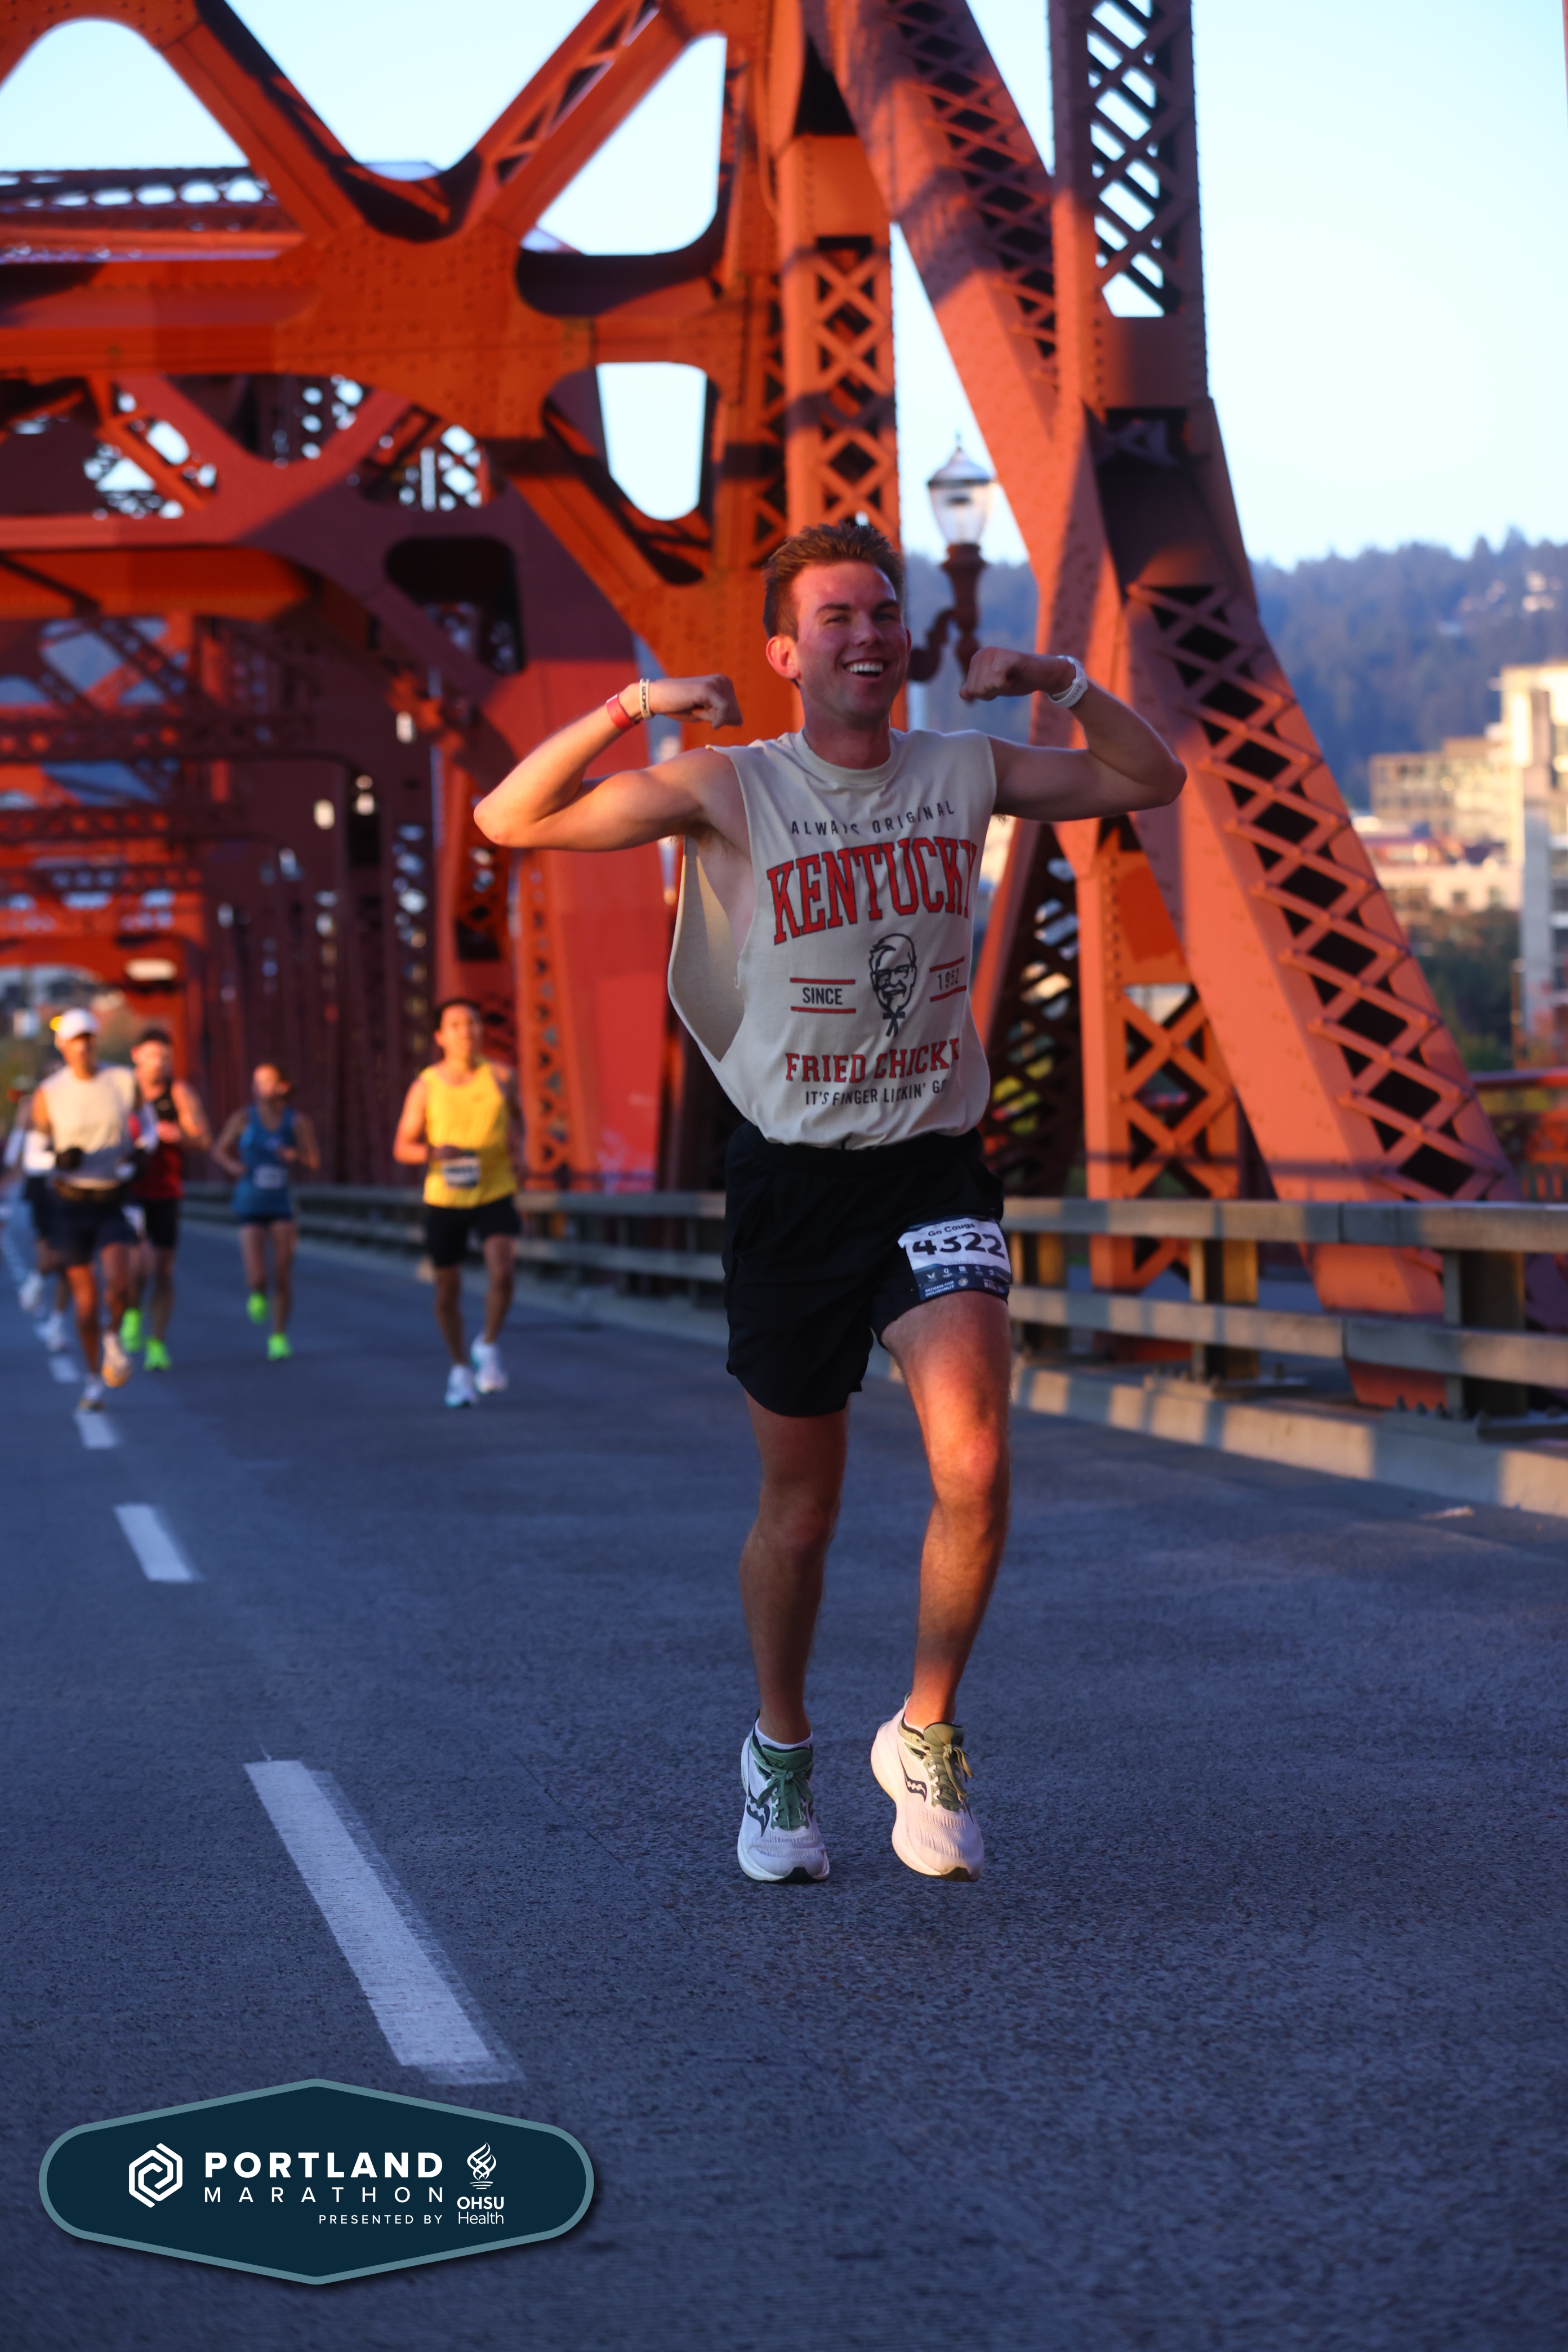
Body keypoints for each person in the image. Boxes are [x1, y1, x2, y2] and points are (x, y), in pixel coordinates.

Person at [475, 516, 1184, 1886]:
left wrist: (1060, 679)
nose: (871, 634)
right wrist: (636, 704)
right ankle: (780, 1749)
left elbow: (1146, 775)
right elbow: (510, 821)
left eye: (884, 611)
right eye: (837, 618)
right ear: (785, 654)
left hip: (929, 1166)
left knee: (974, 1463)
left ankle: (924, 1730)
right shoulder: (729, 785)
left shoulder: (964, 767)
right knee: (800, 1509)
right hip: (791, 1180)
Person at [392, 998, 524, 1408]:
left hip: (494, 1190)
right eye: (455, 1025)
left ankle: (487, 1343)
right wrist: (434, 1152)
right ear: (440, 1036)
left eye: (473, 1023)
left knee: (503, 1273)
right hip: (446, 1197)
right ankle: (460, 1369)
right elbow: (402, 1147)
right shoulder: (426, 1086)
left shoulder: (501, 1075)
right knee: (448, 1290)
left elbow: (517, 1119)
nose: (466, 1031)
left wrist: (519, 1153)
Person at [31, 1008, 140, 1409]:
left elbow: (144, 1125)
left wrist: (142, 1152)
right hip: (70, 1202)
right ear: (63, 1046)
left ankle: (113, 1337)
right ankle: (94, 1379)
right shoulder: (50, 1092)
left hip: (111, 1197)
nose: (84, 1047)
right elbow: (33, 1154)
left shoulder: (122, 1080)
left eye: (89, 1039)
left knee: (121, 1284)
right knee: (86, 1303)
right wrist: (58, 1159)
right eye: (76, 1041)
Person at [211, 1063, 319, 1359]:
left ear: (282, 1086)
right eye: (257, 1082)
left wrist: (296, 1155)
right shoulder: (244, 1118)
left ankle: (279, 1335)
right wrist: (233, 1166)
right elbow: (219, 1149)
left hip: (281, 1204)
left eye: (268, 1081)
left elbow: (314, 1160)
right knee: (258, 1275)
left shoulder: (296, 1121)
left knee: (282, 1272)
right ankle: (257, 1292)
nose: (261, 1087)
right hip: (250, 1203)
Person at [120, 1026, 212, 1372]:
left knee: (163, 1271)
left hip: (166, 1191)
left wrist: (179, 1134)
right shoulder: (122, 1090)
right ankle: (132, 1310)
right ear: (136, 1056)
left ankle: (157, 1342)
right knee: (136, 1266)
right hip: (130, 1189)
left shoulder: (179, 1093)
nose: (159, 1062)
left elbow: (203, 1139)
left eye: (165, 1056)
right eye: (152, 1055)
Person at [5, 1081, 69, 1344]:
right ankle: (37, 1280)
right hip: (40, 1190)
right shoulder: (32, 1115)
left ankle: (56, 1324)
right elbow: (12, 1158)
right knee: (51, 1257)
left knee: (70, 1262)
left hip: (70, 1188)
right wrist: (22, 1126)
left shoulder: (73, 1111)